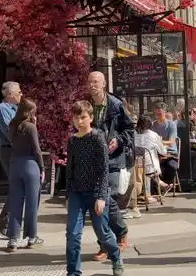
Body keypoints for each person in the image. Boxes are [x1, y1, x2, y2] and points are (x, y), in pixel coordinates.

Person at [65, 100, 124, 276]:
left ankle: (116, 256)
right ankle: (73, 272)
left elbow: (103, 169)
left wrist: (100, 197)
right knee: (73, 234)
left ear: (90, 118)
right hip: (77, 192)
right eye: (76, 118)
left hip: (96, 192)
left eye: (83, 117)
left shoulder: (97, 137)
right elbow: (70, 168)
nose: (79, 121)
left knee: (103, 233)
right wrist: (68, 195)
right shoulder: (72, 140)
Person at [87, 71, 133, 260]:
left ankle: (109, 241)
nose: (92, 85)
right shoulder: (85, 105)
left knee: (104, 200)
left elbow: (130, 129)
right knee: (99, 201)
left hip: (113, 159)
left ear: (104, 83)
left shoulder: (116, 105)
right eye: (89, 81)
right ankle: (114, 237)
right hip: (91, 159)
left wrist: (119, 141)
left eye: (96, 81)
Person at [5, 98, 44, 252]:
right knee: (32, 203)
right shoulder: (30, 127)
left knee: (15, 202)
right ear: (30, 112)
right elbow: (36, 149)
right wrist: (41, 167)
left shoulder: (12, 125)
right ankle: (31, 236)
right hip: (30, 165)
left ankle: (12, 240)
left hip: (15, 164)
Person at [0, 81, 22, 235]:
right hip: (9, 151)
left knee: (18, 187)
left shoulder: (18, 108)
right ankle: (5, 223)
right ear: (10, 95)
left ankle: (7, 222)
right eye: (19, 92)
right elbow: (10, 131)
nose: (21, 94)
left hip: (18, 150)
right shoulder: (2, 109)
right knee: (17, 187)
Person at [133, 115, 170, 196]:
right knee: (151, 164)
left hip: (135, 166)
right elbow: (163, 152)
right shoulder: (153, 135)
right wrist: (164, 147)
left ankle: (160, 185)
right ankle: (149, 195)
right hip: (150, 168)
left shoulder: (133, 133)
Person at [150, 102, 178, 185]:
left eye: (160, 113)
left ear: (165, 113)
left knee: (171, 167)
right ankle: (159, 186)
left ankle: (167, 184)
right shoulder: (152, 125)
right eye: (156, 113)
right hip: (157, 154)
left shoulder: (171, 125)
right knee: (151, 167)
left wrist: (159, 141)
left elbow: (171, 143)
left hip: (170, 153)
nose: (158, 115)